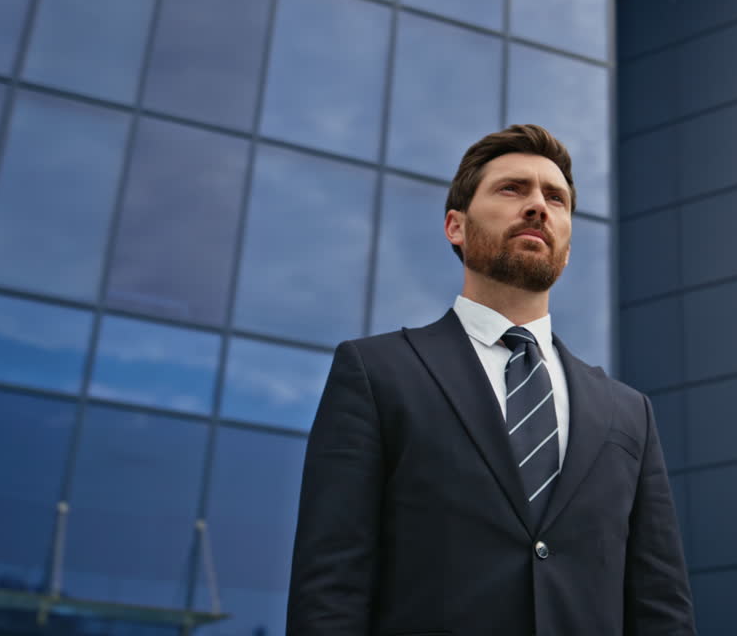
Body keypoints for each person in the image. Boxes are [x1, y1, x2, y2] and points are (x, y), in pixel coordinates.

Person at [287, 124, 696, 635]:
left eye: (556, 198)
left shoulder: (629, 412)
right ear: (455, 227)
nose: (538, 206)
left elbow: (661, 608)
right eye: (512, 189)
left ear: (567, 248)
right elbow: (330, 587)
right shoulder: (376, 373)